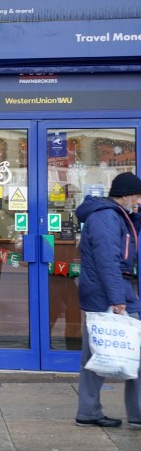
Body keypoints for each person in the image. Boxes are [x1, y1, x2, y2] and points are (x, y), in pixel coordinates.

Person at [73, 171, 141, 429]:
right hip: (110, 293)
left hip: (113, 290)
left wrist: (135, 216)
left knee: (99, 353)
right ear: (124, 195)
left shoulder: (116, 216)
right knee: (99, 354)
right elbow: (107, 260)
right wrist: (117, 299)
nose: (139, 200)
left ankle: (91, 411)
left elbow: (125, 245)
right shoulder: (105, 218)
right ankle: (94, 411)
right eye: (136, 196)